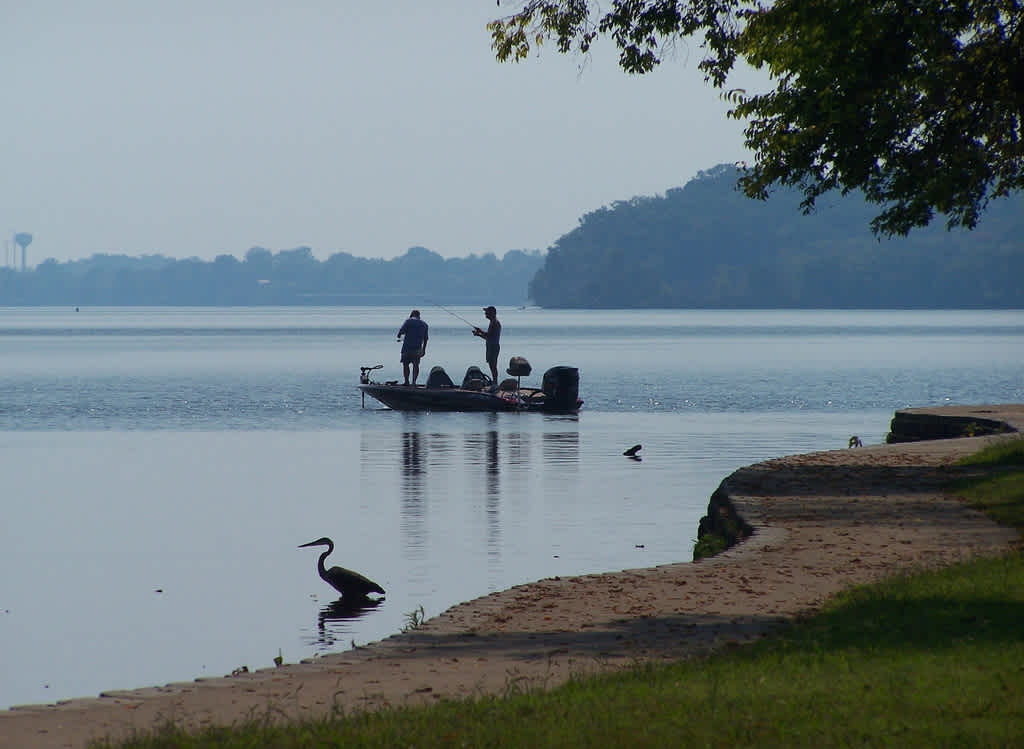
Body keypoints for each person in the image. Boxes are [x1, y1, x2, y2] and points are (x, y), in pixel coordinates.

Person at [396, 310, 428, 386]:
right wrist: (423, 350)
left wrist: (399, 336)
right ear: (419, 315)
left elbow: (401, 332)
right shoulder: (424, 324)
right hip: (417, 348)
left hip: (407, 348)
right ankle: (414, 382)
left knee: (405, 364)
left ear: (412, 314)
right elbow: (426, 339)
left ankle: (406, 382)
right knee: (416, 365)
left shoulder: (408, 321)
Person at [472, 305, 501, 384]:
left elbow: (489, 336)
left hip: (493, 347)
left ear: (492, 313)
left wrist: (480, 332)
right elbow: (489, 337)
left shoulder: (494, 323)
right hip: (491, 346)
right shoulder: (492, 322)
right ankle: (495, 383)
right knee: (492, 366)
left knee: (493, 366)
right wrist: (479, 333)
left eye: (487, 312)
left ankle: (495, 383)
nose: (485, 313)